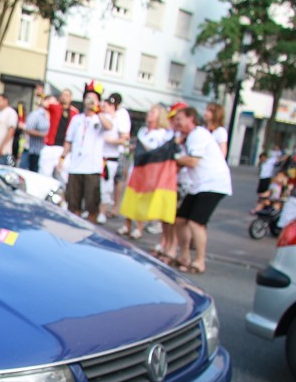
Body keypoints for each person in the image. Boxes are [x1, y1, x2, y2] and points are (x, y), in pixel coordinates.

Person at [170, 104, 232, 275]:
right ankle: (184, 256)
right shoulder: (190, 136)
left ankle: (199, 261)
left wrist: (174, 157)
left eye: (180, 119)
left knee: (196, 222)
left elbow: (192, 161)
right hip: (198, 185)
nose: (177, 123)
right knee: (181, 219)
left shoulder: (198, 135)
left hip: (213, 183)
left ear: (191, 118)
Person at [117, 104, 175, 243]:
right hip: (136, 168)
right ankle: (127, 224)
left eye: (153, 112)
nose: (150, 114)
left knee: (143, 198)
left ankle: (139, 227)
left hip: (149, 170)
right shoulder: (142, 131)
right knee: (131, 196)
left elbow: (159, 152)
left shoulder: (162, 134)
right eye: (150, 112)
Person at [59, 82, 114, 223]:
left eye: (93, 98)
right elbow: (68, 140)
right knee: (73, 204)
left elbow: (109, 126)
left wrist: (98, 110)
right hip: (75, 167)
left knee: (92, 205)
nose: (89, 101)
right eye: (88, 98)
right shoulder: (77, 119)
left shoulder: (100, 118)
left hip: (92, 169)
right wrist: (62, 158)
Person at [98, 93, 131, 224]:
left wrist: (110, 140)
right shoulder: (104, 114)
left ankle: (115, 207)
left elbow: (125, 138)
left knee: (116, 180)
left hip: (117, 154)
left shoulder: (122, 114)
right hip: (101, 155)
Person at [39, 88, 78, 180]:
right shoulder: (55, 107)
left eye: (67, 95)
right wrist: (42, 94)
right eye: (63, 95)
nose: (64, 97)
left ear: (71, 98)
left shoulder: (74, 112)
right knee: (44, 174)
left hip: (65, 148)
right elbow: (44, 104)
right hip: (51, 145)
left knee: (64, 176)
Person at [20, 93, 52, 173]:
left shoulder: (52, 115)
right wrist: (43, 135)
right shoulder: (37, 114)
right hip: (33, 150)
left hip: (46, 152)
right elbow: (28, 129)